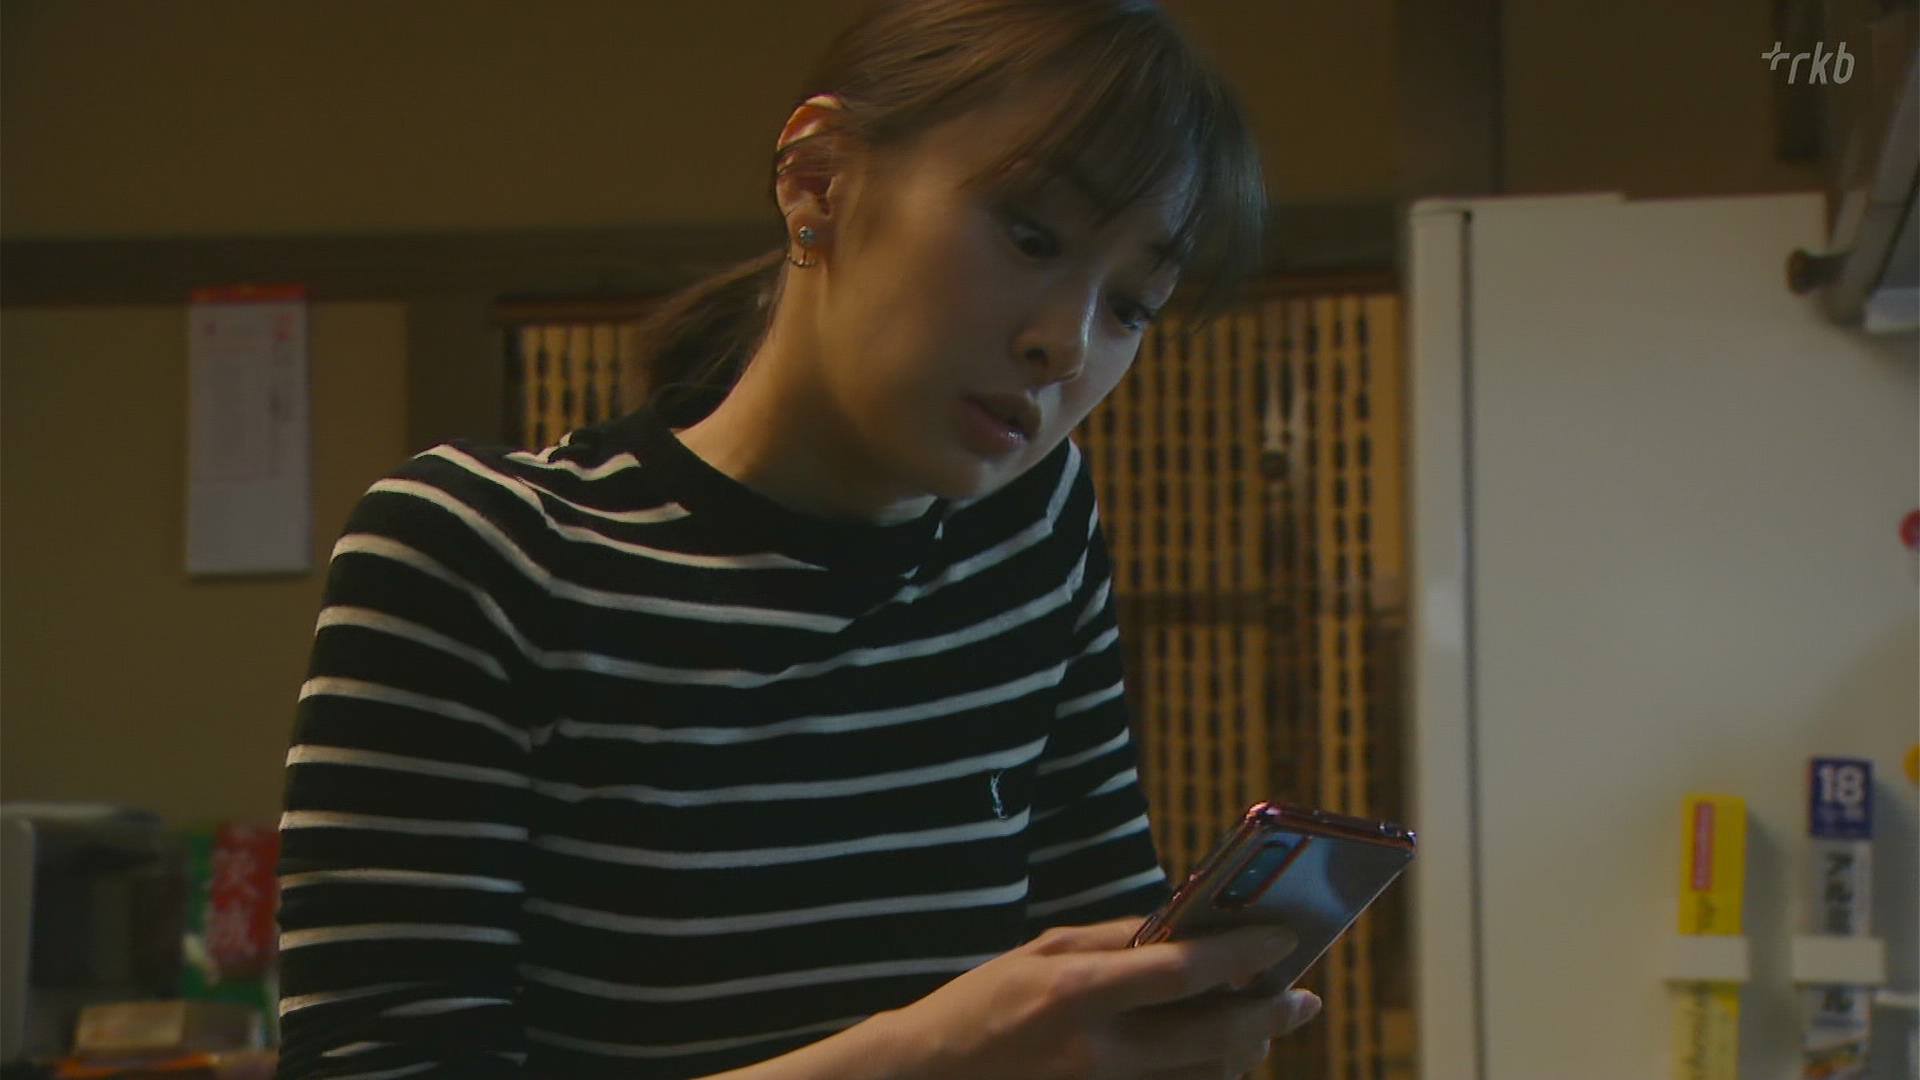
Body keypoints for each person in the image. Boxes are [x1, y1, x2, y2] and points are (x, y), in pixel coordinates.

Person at [275, 1, 1321, 1077]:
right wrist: (935, 1053)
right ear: (819, 180)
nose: (1065, 342)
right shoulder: (485, 552)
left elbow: (1095, 937)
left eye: (1132, 305)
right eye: (1031, 236)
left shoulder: (1031, 526)